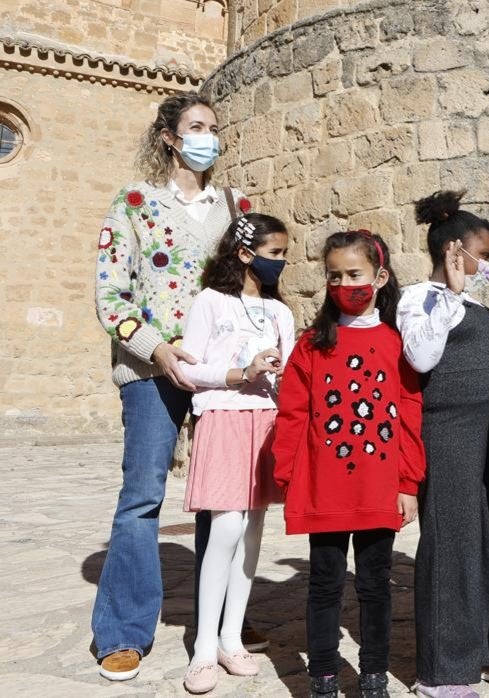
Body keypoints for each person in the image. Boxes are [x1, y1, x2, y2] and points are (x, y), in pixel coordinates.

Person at [91, 91, 249, 682]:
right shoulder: (133, 203)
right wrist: (156, 348)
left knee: (224, 496)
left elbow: (251, 288)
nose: (207, 136)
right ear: (169, 137)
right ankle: (123, 630)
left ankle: (217, 621)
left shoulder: (237, 206)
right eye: (196, 126)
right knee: (142, 498)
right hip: (152, 371)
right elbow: (111, 296)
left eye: (214, 126)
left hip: (222, 378)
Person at [272, 231, 424, 698]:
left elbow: (409, 416)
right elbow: (293, 414)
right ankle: (322, 676)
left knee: (376, 586)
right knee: (324, 584)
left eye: (354, 275)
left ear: (379, 277)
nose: (344, 284)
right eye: (334, 276)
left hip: (379, 490)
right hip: (325, 489)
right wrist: (287, 475)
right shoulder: (312, 345)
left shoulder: (397, 344)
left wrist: (408, 481)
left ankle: (374, 673)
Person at [396, 191, 489, 695]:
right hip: (447, 437)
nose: (486, 265)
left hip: (488, 438)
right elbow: (422, 358)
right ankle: (442, 669)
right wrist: (448, 292)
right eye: (481, 255)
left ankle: (483, 648)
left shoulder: (475, 305)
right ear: (453, 251)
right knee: (450, 545)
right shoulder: (419, 299)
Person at [178, 214, 295, 693]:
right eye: (274, 254)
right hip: (224, 416)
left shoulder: (279, 312)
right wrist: (238, 373)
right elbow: (190, 367)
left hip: (265, 421)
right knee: (225, 526)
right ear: (245, 254)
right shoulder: (210, 301)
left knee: (252, 532)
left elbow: (288, 375)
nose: (281, 262)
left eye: (285, 253)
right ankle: (204, 646)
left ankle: (232, 635)